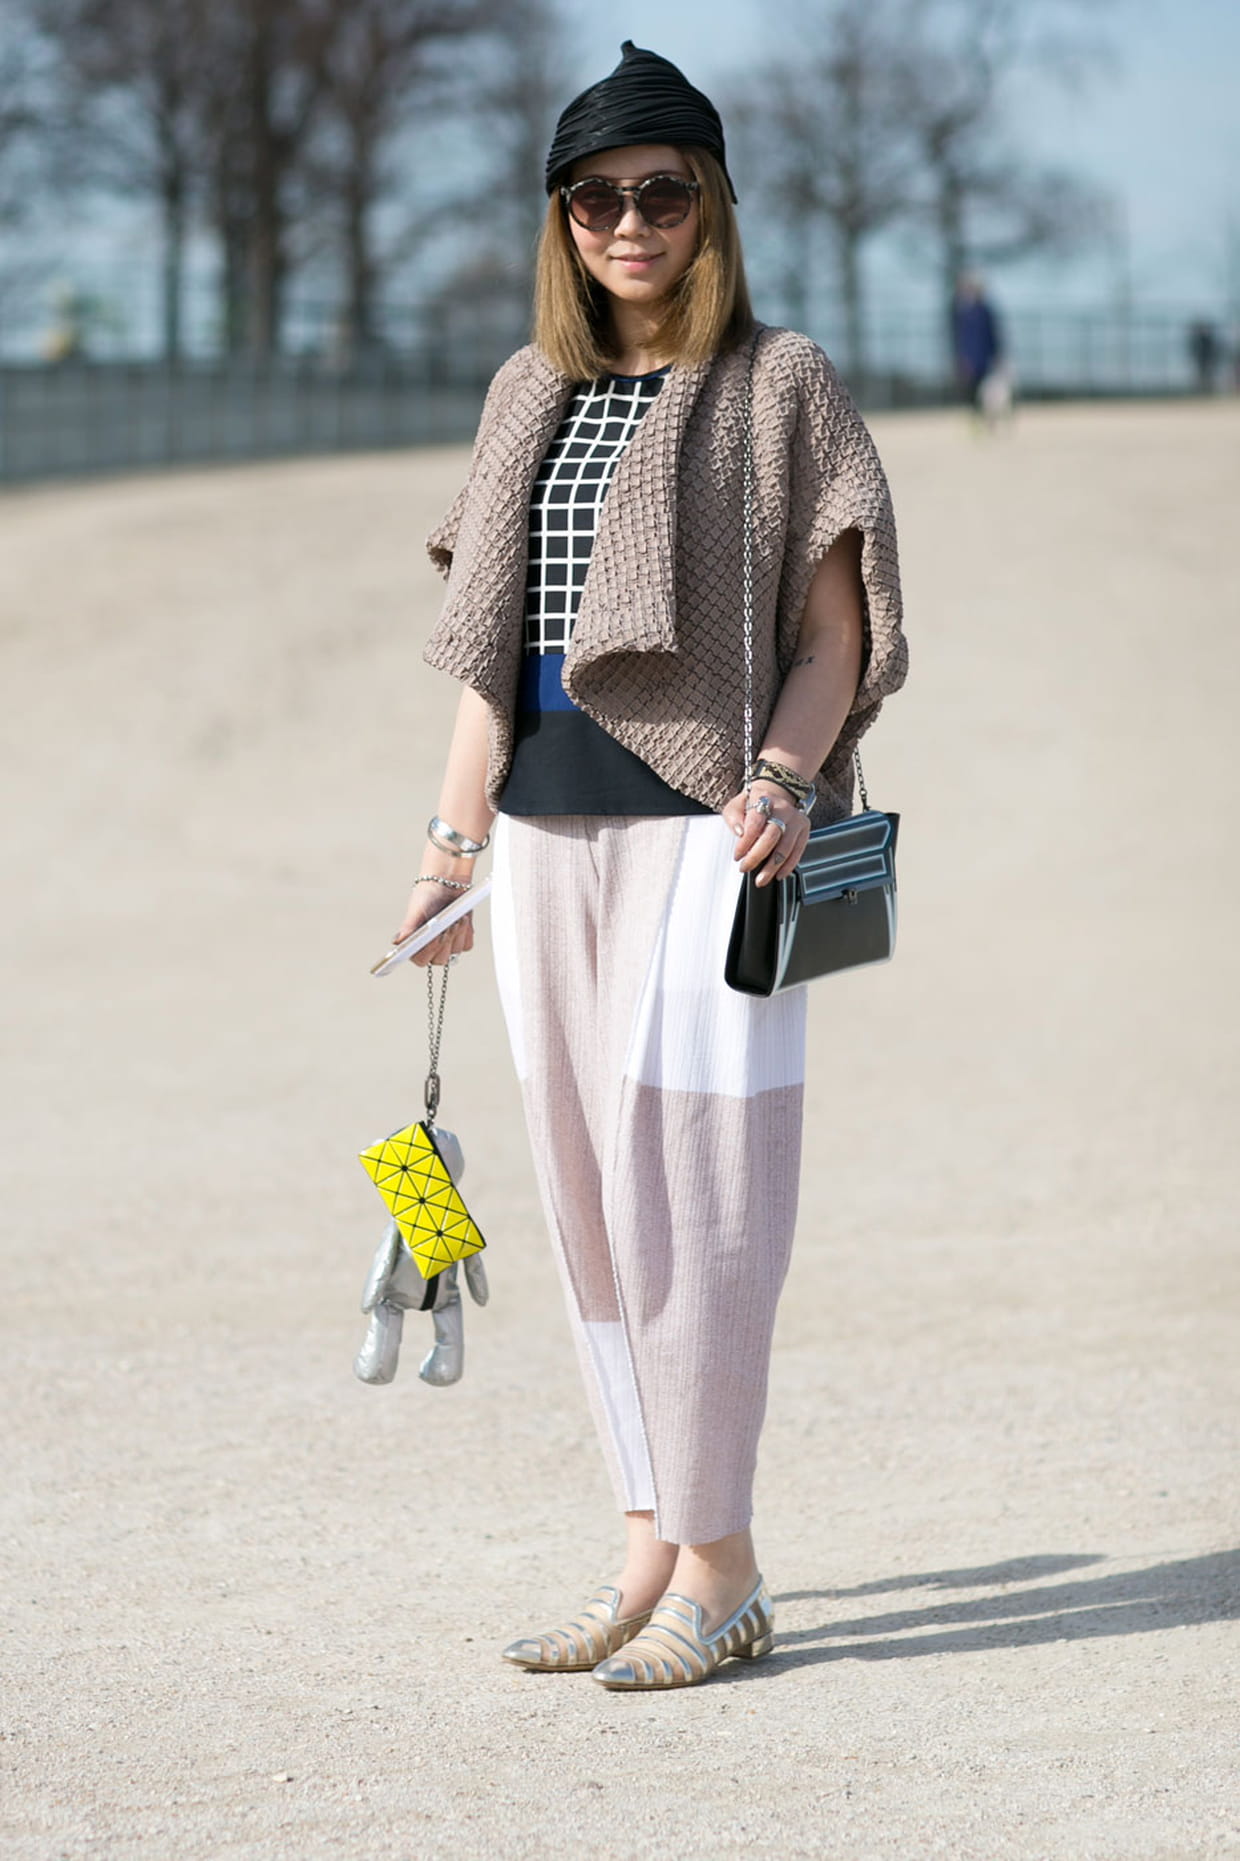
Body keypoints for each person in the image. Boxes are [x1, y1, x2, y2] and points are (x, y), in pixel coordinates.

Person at [391, 41, 907, 1690]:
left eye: (663, 192)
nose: (630, 223)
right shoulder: (524, 392)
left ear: (713, 205)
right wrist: (450, 846)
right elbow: (493, 649)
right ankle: (646, 1544)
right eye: (598, 197)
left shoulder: (781, 384)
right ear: (563, 217)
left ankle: (726, 1562)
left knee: (700, 1191)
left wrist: (786, 777)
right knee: (587, 1196)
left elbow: (835, 638)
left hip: (709, 837)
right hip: (544, 835)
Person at [952, 272, 1003, 413]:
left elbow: (993, 335)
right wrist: (962, 357)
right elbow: (961, 338)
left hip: (985, 356)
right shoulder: (963, 312)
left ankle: (986, 412)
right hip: (971, 358)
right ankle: (976, 413)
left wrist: (997, 354)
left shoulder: (985, 311)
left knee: (986, 388)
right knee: (972, 388)